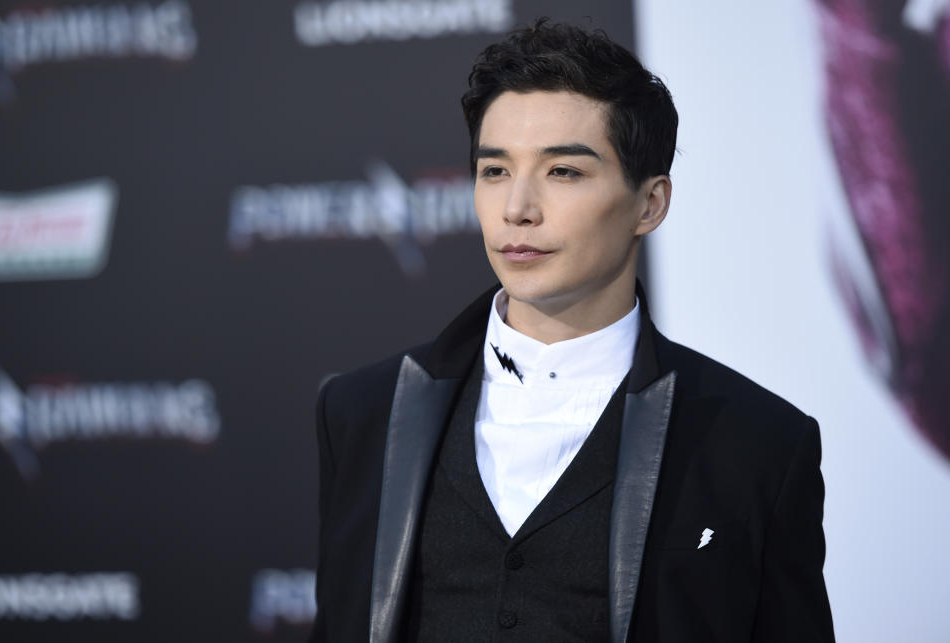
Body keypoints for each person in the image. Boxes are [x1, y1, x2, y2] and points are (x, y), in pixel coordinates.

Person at [312, 19, 834, 643]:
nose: (517, 209)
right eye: (494, 171)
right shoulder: (365, 413)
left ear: (651, 203)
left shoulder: (758, 445)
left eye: (563, 171)